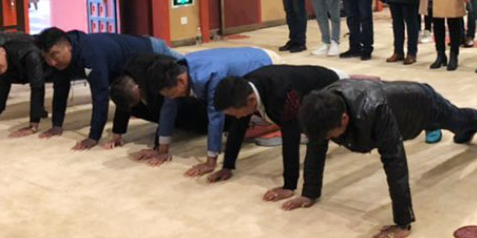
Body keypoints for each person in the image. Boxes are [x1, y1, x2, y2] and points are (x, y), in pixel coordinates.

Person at [281, 79, 477, 238]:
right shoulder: (321, 108)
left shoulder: (374, 109)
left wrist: (402, 222)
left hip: (423, 103)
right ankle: (466, 131)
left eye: (332, 134)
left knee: (457, 120)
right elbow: (316, 147)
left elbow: (395, 162)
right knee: (458, 126)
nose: (330, 139)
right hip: (400, 109)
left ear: (345, 118)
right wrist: (309, 193)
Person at [34, 28, 184, 150]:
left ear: (68, 46)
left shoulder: (90, 55)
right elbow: (60, 91)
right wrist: (57, 125)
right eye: (47, 58)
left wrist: (94, 137)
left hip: (153, 50)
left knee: (188, 74)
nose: (52, 62)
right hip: (127, 69)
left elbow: (100, 96)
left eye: (54, 55)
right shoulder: (59, 62)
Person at [208, 64, 344, 198]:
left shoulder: (282, 96)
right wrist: (227, 166)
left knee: (319, 134)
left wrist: (289, 186)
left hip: (335, 85)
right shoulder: (242, 90)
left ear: (251, 100)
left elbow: (291, 138)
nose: (237, 117)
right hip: (304, 83)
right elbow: (237, 128)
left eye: (236, 113)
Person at [139, 47, 274, 176]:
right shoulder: (176, 72)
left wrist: (211, 161)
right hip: (247, 56)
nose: (172, 97)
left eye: (172, 93)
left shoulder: (210, 76)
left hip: (266, 63)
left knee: (257, 110)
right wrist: (162, 151)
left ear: (181, 81)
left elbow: (216, 116)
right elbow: (168, 109)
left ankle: (269, 124)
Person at [105, 53, 209, 152]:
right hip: (163, 91)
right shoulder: (126, 78)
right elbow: (122, 99)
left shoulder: (155, 79)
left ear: (138, 88)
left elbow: (163, 111)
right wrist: (117, 134)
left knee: (195, 120)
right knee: (131, 105)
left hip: (182, 92)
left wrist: (159, 147)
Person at [0, 36, 49, 136]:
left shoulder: (30, 55)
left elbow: (37, 87)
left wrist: (33, 125)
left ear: (2, 51)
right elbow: (3, 83)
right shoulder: (2, 61)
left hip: (51, 65)